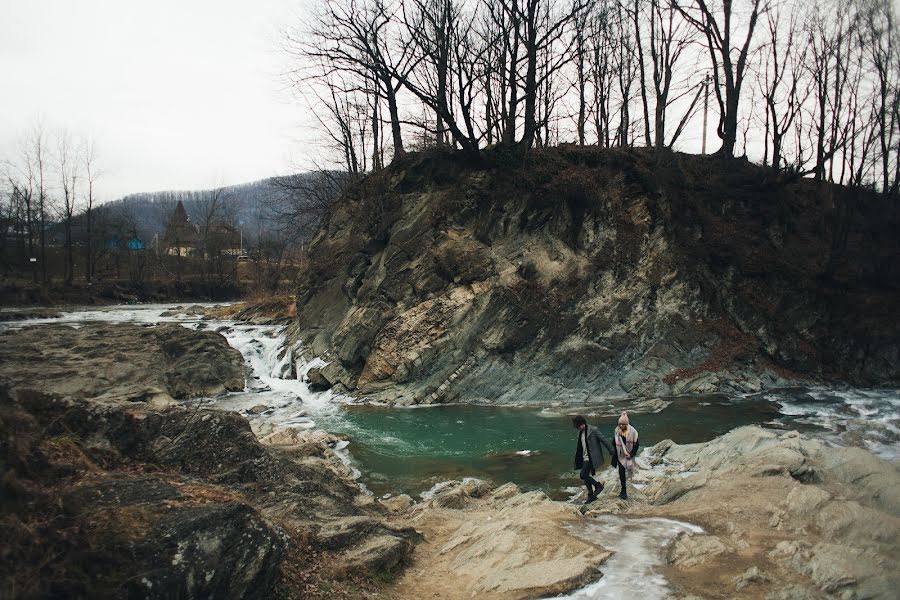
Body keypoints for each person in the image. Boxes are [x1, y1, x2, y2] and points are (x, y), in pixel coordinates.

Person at [572, 415, 614, 504]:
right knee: (586, 476)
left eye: (579, 426)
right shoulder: (580, 433)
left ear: (583, 423)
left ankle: (598, 486)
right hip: (584, 457)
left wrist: (611, 450)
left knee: (583, 475)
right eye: (577, 427)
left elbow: (604, 439)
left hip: (591, 457)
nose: (578, 428)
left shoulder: (593, 430)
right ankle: (591, 496)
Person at [612, 411, 639, 500]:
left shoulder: (633, 431)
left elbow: (636, 444)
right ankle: (623, 491)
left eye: (623, 424)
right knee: (621, 472)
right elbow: (613, 442)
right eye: (620, 424)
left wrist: (631, 454)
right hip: (620, 455)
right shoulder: (617, 431)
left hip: (629, 454)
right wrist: (613, 452)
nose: (621, 426)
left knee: (629, 470)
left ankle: (627, 487)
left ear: (626, 424)